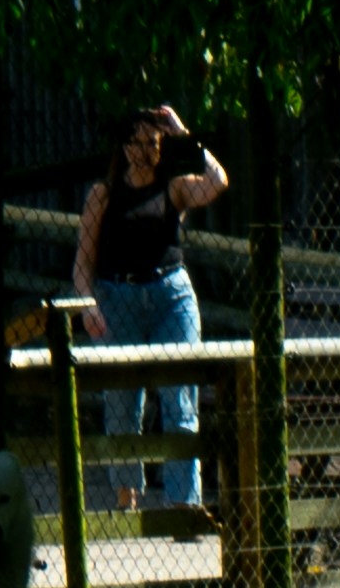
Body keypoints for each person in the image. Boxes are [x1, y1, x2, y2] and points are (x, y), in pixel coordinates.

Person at [73, 104, 231, 528]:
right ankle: (127, 502)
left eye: (153, 142)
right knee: (122, 402)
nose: (144, 151)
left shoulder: (175, 188)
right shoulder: (103, 195)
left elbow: (217, 181)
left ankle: (184, 507)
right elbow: (83, 264)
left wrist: (184, 134)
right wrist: (88, 303)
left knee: (180, 399)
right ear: (123, 147)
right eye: (137, 142)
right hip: (117, 297)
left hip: (170, 296)